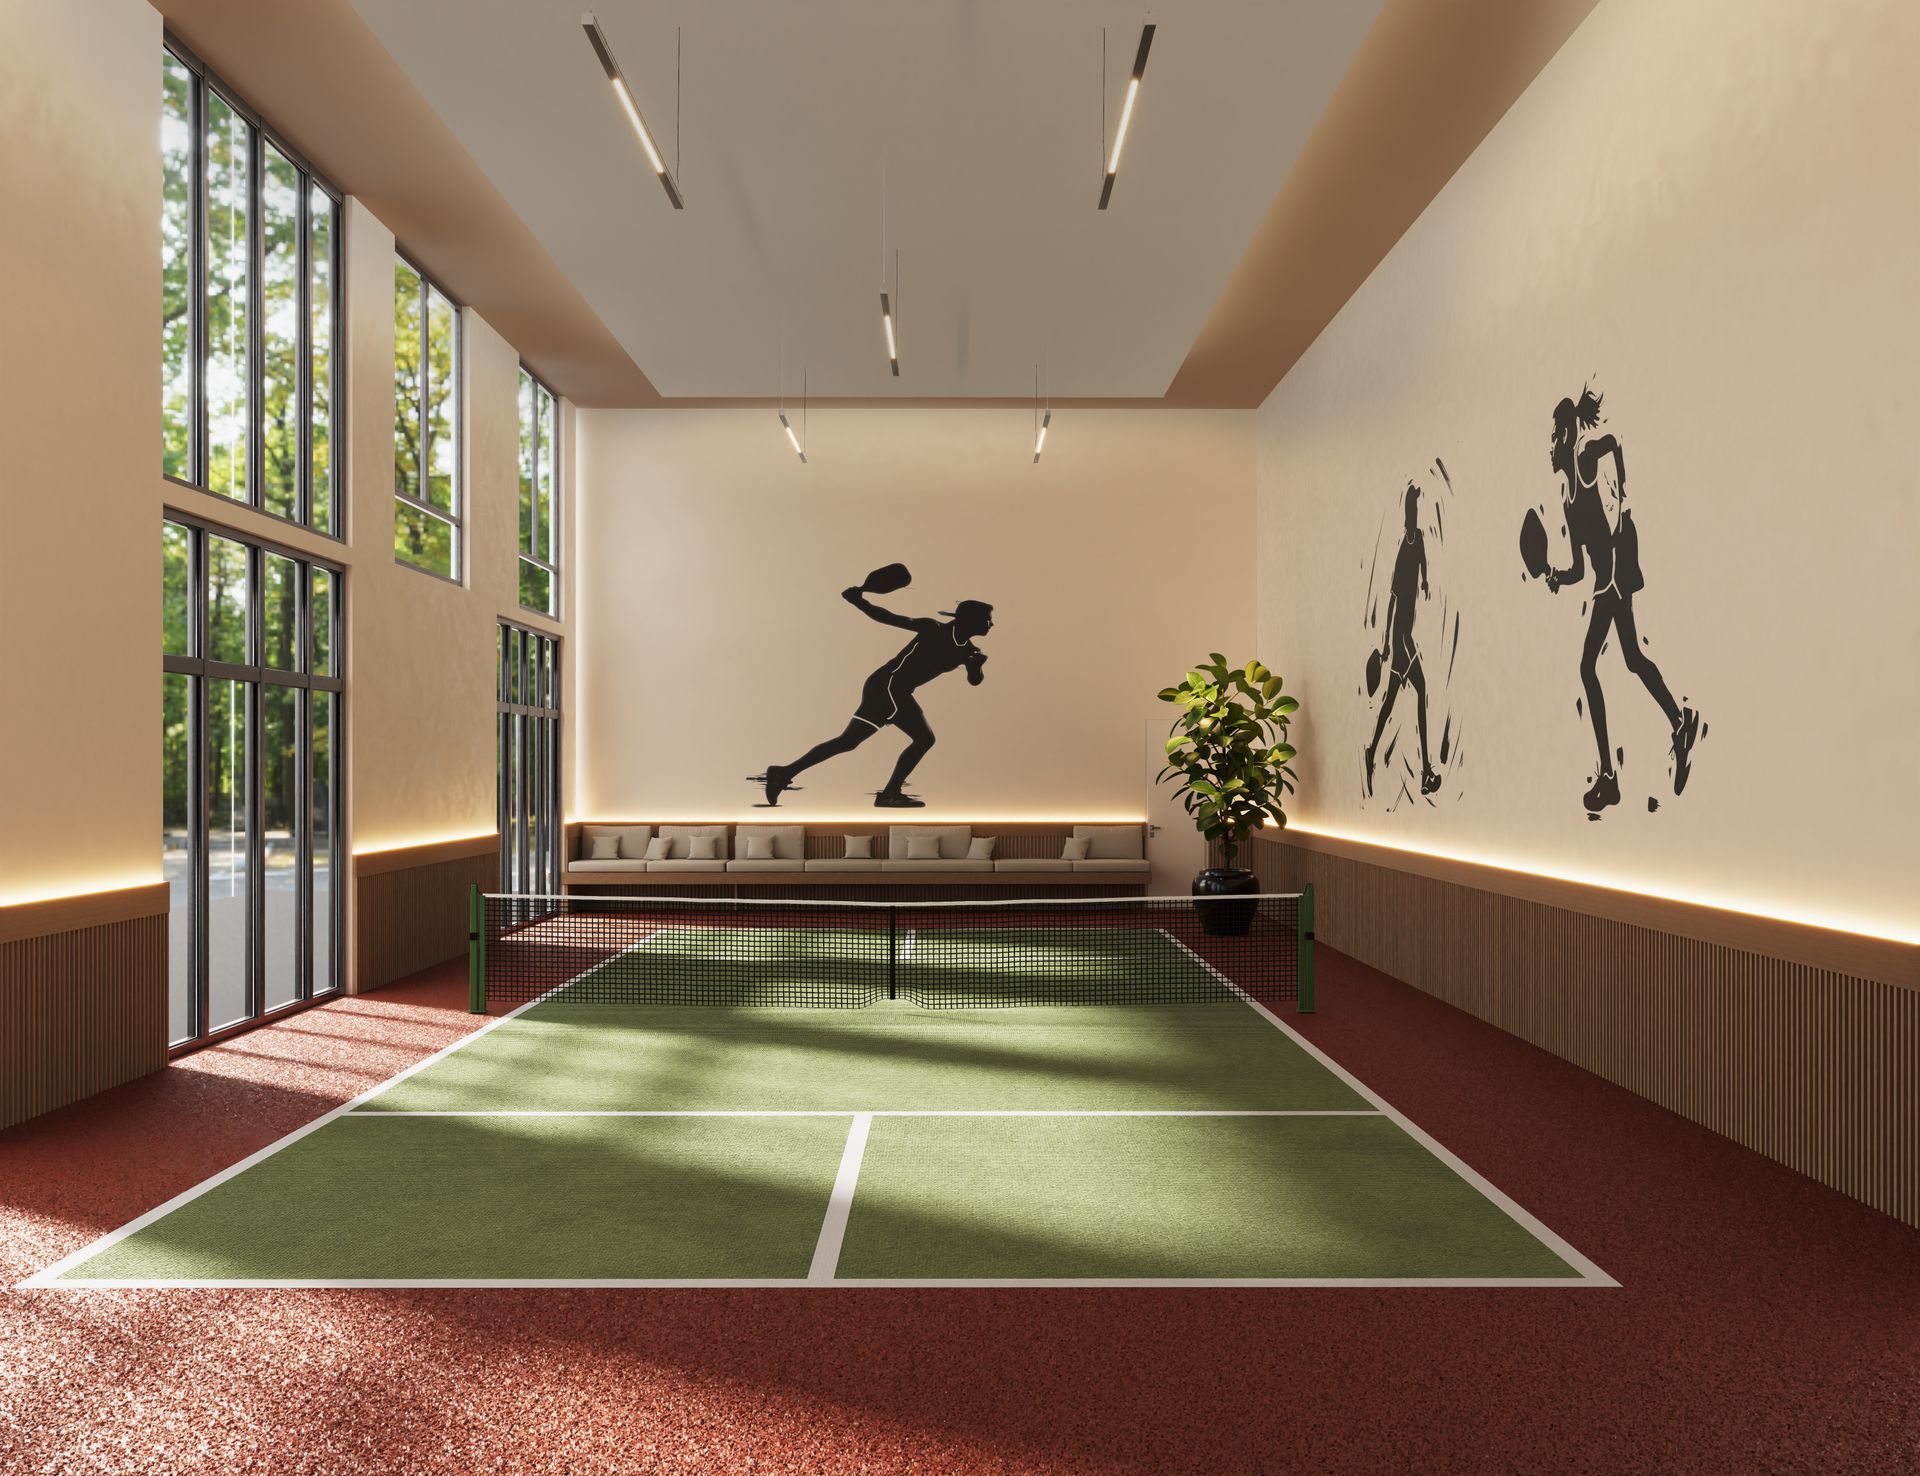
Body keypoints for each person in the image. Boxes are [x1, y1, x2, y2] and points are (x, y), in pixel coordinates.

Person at [1543, 387, 1698, 814]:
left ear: (1569, 436)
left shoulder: (1588, 460)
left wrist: (1624, 493)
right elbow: (1577, 567)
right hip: (1601, 584)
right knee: (1630, 659)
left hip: (1613, 582)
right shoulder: (1567, 502)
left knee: (1587, 667)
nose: (1551, 446)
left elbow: (1615, 444)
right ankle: (1680, 722)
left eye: (1555, 436)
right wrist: (1557, 575)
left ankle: (1609, 778)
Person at [760, 590, 993, 808]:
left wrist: (976, 667)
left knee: (848, 742)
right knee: (924, 739)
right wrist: (858, 600)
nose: (991, 624)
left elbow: (974, 681)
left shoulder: (969, 650)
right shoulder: (934, 629)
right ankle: (890, 793)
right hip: (889, 685)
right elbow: (888, 618)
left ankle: (784, 772)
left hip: (893, 689)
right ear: (971, 620)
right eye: (987, 619)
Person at [1365, 481, 1440, 798]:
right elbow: (1392, 600)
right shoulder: (1401, 552)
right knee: (1420, 689)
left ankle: (1372, 751)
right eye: (1412, 514)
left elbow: (1423, 560)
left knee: (1390, 700)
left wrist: (1424, 581)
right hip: (1401, 635)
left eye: (1416, 513)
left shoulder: (1419, 539)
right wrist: (1385, 644)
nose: (1414, 521)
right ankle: (1426, 771)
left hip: (1405, 633)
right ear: (1407, 518)